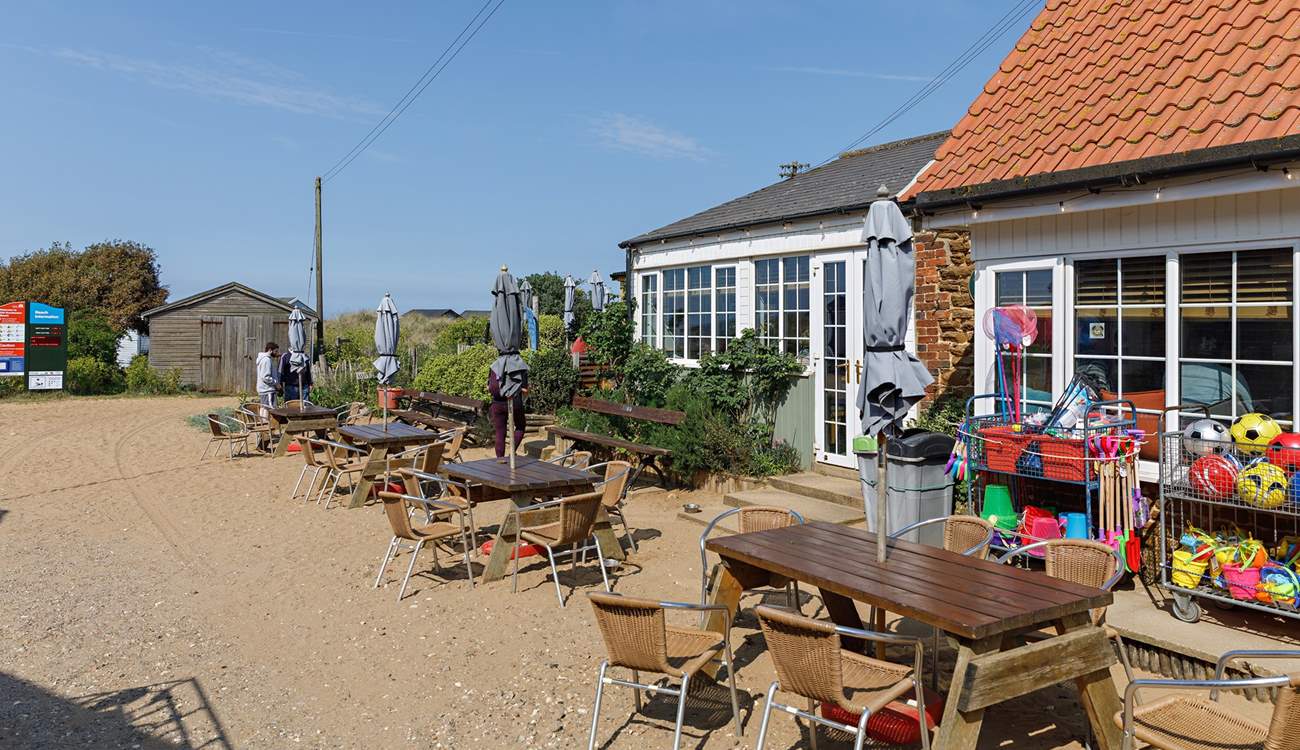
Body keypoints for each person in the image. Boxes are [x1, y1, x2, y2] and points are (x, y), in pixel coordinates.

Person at [487, 368, 527, 458]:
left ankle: (500, 459)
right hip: (515, 401)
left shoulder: (494, 366)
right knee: (520, 426)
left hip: (497, 403)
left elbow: (488, 387)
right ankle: (512, 454)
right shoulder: (520, 367)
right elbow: (525, 390)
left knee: (500, 432)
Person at [255, 342, 280, 408]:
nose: (276, 353)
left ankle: (262, 419)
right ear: (270, 350)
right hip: (267, 390)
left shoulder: (264, 359)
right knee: (269, 409)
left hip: (265, 390)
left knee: (264, 408)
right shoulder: (266, 360)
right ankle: (264, 419)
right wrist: (276, 383)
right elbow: (265, 377)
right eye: (275, 351)